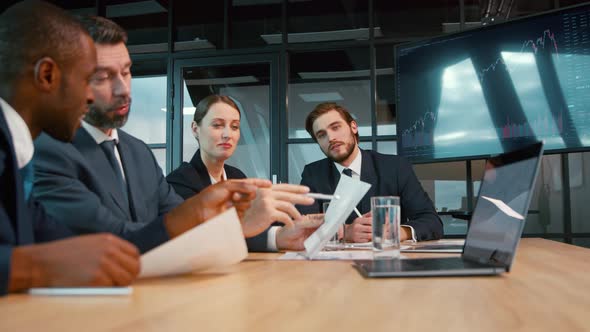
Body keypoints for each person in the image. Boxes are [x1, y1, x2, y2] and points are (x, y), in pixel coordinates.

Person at [32, 16, 313, 254]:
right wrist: (212, 215)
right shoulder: (47, 151)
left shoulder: (138, 152)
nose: (123, 89)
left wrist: (271, 236)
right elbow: (117, 238)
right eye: (103, 77)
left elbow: (182, 223)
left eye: (127, 72)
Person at [0, 0, 141, 295]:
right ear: (47, 75)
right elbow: (40, 258)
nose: (91, 97)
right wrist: (33, 267)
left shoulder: (17, 154)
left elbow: (68, 246)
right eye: (90, 79)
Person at [167, 95, 323, 251]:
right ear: (195, 129)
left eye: (234, 127)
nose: (228, 134)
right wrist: (276, 236)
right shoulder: (180, 182)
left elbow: (257, 224)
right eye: (217, 125)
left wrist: (296, 225)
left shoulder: (237, 176)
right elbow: (203, 237)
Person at [299, 102, 443, 242]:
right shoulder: (313, 174)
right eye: (321, 135)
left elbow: (432, 222)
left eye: (335, 127)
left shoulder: (395, 167)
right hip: (336, 264)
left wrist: (397, 232)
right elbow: (300, 228)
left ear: (353, 127)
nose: (331, 138)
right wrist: (345, 232)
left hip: (387, 260)